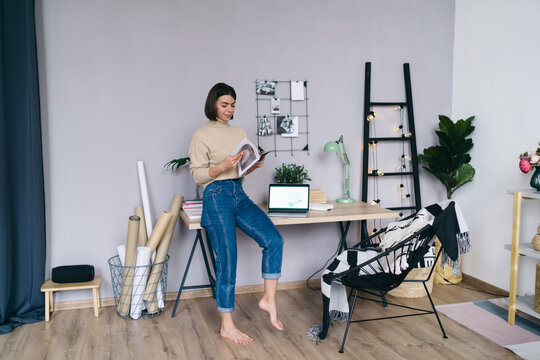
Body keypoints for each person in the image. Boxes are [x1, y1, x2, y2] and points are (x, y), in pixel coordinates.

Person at [188, 82, 284, 345]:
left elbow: (239, 171)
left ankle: (268, 299)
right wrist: (220, 167)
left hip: (238, 194)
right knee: (228, 257)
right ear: (213, 105)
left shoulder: (239, 131)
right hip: (215, 195)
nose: (229, 109)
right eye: (224, 105)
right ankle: (227, 325)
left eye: (232, 105)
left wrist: (252, 166)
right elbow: (198, 175)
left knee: (274, 239)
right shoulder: (201, 135)